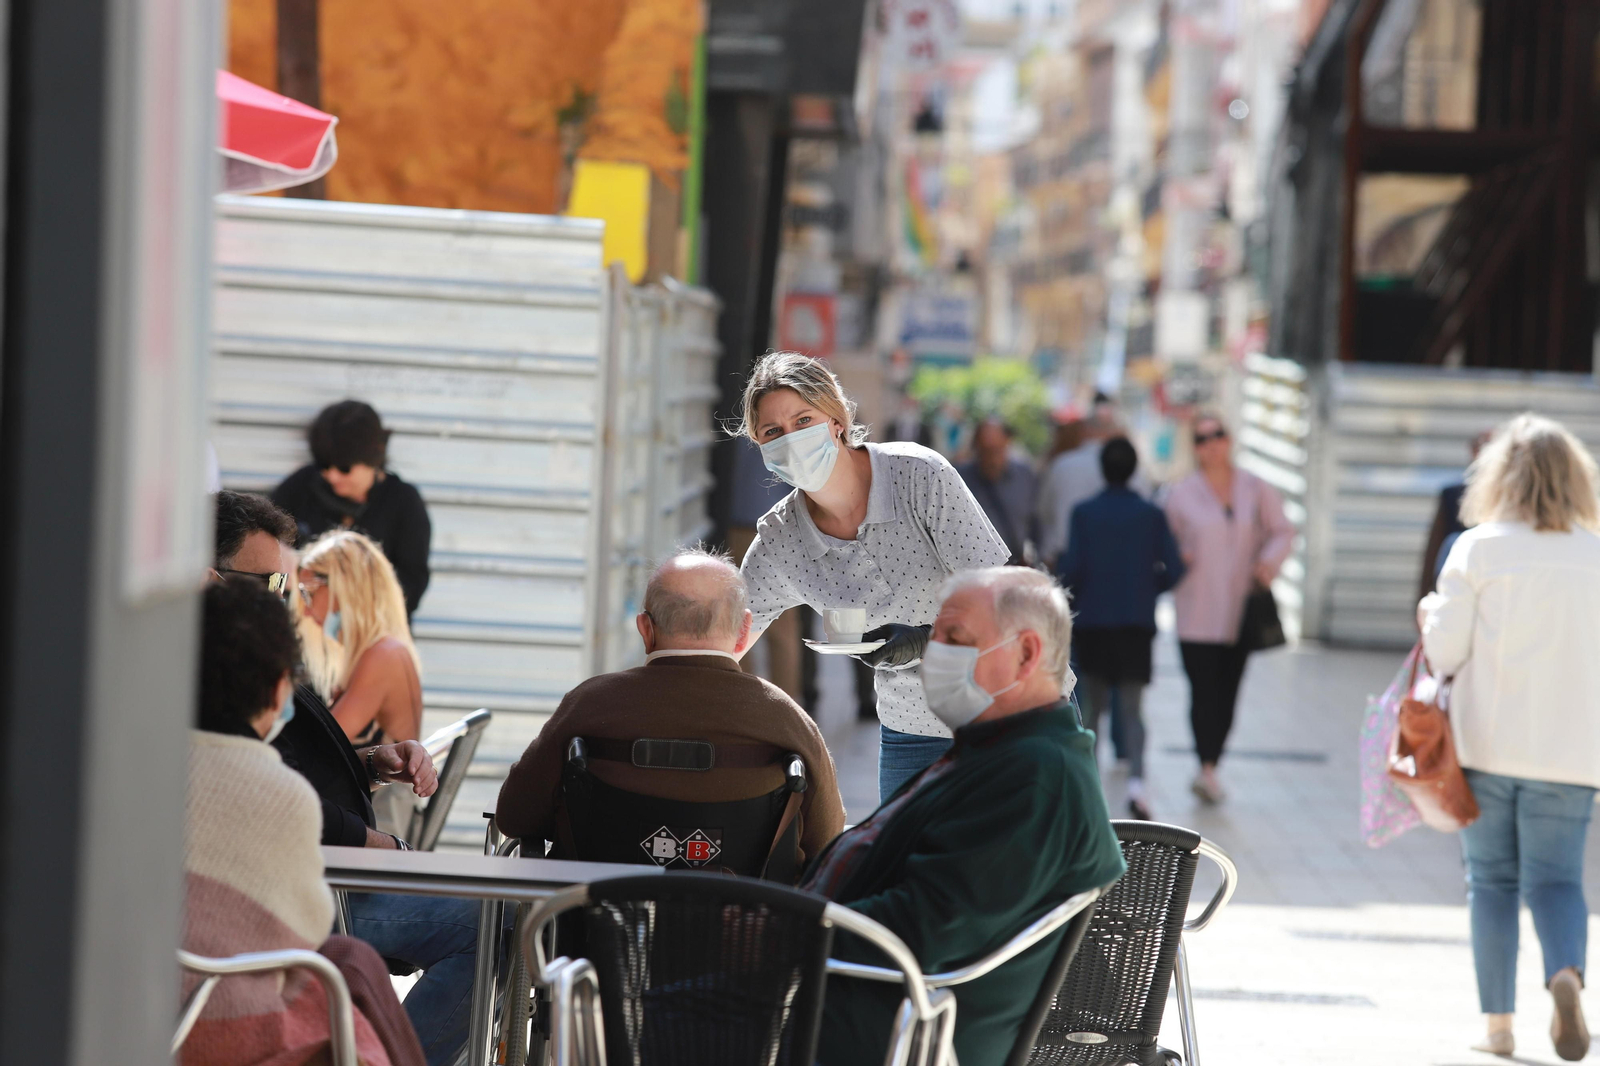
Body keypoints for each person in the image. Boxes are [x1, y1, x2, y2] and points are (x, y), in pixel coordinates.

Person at [805, 567, 1125, 1066]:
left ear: (1025, 654)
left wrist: (776, 927)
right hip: (845, 1001)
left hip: (871, 1029)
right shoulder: (1002, 752)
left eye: (954, 639)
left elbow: (924, 927)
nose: (934, 657)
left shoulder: (1035, 777)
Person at [212, 491, 487, 1066]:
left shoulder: (257, 645)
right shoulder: (214, 658)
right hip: (312, 882)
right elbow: (267, 794)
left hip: (330, 868)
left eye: (295, 588)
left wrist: (369, 763)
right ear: (212, 577)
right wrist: (383, 846)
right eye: (273, 585)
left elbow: (285, 768)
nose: (287, 603)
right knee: (485, 921)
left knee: (491, 914)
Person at [734, 352, 1011, 802]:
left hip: (1008, 713)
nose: (792, 439)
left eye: (804, 419)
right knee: (903, 869)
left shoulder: (920, 476)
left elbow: (1006, 601)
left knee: (1021, 870)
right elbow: (725, 640)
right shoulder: (780, 539)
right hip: (911, 731)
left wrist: (925, 639)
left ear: (837, 420)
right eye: (773, 432)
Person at [182, 578, 424, 1066]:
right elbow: (306, 931)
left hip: (140, 1011)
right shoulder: (280, 793)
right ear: (277, 691)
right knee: (351, 968)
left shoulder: (135, 765)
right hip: (234, 1029)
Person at [1419, 414, 1600, 1061]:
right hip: (1574, 751)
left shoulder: (1480, 547)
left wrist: (1431, 615)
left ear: (1502, 476)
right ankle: (1564, 974)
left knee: (1490, 881)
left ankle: (1499, 1027)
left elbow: (1443, 652)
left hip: (1486, 744)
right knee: (1557, 881)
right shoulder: (1596, 553)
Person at [496, 547, 845, 868]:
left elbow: (513, 817)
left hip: (589, 928)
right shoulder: (785, 719)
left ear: (645, 630)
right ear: (743, 631)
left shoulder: (589, 705)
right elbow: (828, 841)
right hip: (748, 930)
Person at [1164, 414, 1293, 804]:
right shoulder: (1180, 494)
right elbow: (1163, 541)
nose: (1211, 444)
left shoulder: (1255, 488)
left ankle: (1212, 764)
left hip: (1241, 610)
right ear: (1195, 448)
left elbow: (1283, 530)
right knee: (1202, 691)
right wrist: (1176, 557)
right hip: (1195, 610)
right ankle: (1206, 766)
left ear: (1230, 439)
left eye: (1217, 435)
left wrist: (1269, 563)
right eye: (1202, 438)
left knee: (1229, 691)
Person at [1057, 437, 1185, 819]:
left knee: (1091, 708)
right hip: (1135, 623)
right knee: (1133, 708)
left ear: (1103, 469)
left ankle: (1089, 785)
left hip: (1092, 623)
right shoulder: (1150, 514)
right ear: (1133, 469)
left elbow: (1072, 570)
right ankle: (1137, 783)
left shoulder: (1084, 513)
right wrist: (1148, 592)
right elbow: (1175, 568)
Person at [273, 400, 432, 617]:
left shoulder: (404, 502)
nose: (332, 476)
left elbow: (411, 587)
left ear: (374, 458)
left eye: (344, 468)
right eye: (324, 466)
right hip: (302, 637)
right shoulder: (300, 488)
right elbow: (268, 568)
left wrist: (351, 597)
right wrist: (284, 584)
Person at [297, 529, 424, 746]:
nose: (306, 611)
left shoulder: (383, 656)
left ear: (344, 589)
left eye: (308, 593)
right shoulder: (381, 649)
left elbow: (322, 748)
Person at [1417, 429, 1494, 604]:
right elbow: (1434, 547)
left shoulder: (1514, 497)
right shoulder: (1453, 494)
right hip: (1455, 583)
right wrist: (1422, 597)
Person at [1035, 408, 1115, 566]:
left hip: (1061, 553)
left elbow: (1042, 511)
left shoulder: (1060, 465)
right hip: (1105, 556)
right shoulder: (1121, 466)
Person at [957, 419, 1038, 566]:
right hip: (976, 570)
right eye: (985, 451)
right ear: (976, 449)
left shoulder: (1024, 475)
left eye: (997, 450)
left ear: (1007, 444)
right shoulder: (959, 479)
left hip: (1017, 566)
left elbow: (1035, 521)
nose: (992, 459)